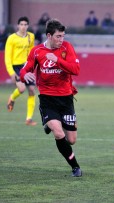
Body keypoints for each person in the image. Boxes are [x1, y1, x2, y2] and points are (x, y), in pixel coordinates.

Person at [20, 19, 82, 177]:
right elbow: (25, 69)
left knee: (72, 139)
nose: (61, 40)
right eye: (58, 36)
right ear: (49, 35)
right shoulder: (37, 51)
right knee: (58, 133)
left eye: (63, 36)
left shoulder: (67, 47)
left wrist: (58, 60)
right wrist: (24, 74)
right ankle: (75, 167)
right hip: (48, 99)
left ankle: (49, 124)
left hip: (66, 98)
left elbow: (76, 69)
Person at [5, 16, 37, 126]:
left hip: (27, 67)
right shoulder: (11, 38)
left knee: (32, 90)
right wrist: (11, 72)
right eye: (21, 24)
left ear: (28, 26)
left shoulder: (31, 36)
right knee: (22, 89)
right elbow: (7, 57)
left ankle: (29, 119)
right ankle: (12, 98)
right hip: (16, 67)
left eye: (25, 24)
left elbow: (32, 52)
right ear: (18, 25)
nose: (23, 27)